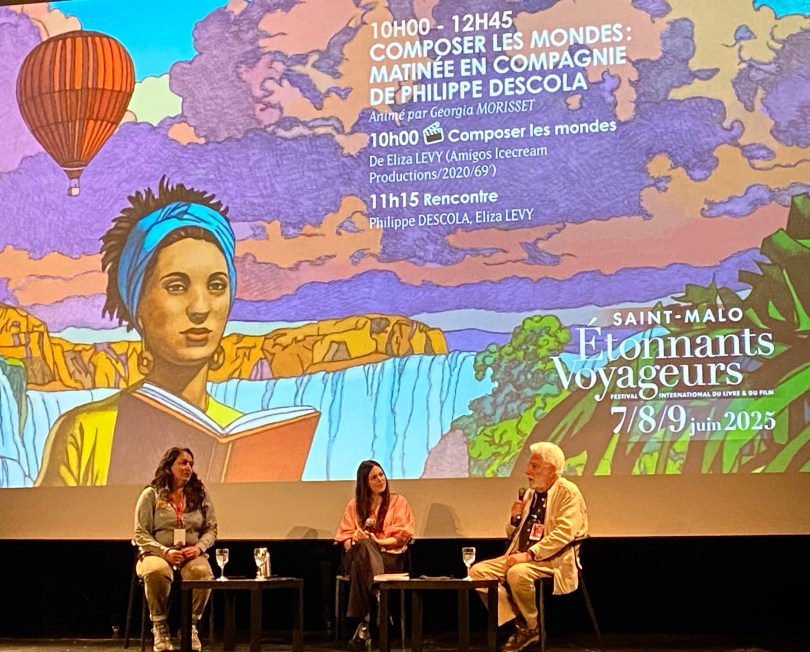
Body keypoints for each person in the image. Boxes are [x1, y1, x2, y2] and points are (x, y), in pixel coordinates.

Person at [35, 178, 243, 486]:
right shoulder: (85, 430)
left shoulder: (241, 432)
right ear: (138, 305)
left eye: (216, 286)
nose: (200, 307)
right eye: (176, 286)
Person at [469, 442, 588, 652]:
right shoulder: (531, 494)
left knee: (517, 573)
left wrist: (529, 555)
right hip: (521, 555)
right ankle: (519, 623)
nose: (527, 471)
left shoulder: (568, 492)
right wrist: (514, 520)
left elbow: (564, 534)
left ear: (551, 469)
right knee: (478, 572)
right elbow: (514, 536)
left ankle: (532, 627)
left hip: (553, 560)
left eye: (534, 466)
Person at [135, 447, 217, 652]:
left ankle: (190, 626)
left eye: (191, 463)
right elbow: (140, 533)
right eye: (183, 463)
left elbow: (211, 529)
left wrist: (199, 548)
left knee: (202, 573)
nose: (188, 467)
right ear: (169, 466)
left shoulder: (199, 494)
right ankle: (160, 627)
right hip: (157, 552)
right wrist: (164, 552)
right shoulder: (151, 494)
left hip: (190, 553)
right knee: (156, 571)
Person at [335, 460, 414, 650]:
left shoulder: (398, 502)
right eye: (374, 477)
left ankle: (363, 623)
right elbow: (344, 538)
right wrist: (354, 540)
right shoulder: (354, 506)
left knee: (366, 549)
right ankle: (376, 595)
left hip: (389, 559)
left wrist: (376, 542)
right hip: (357, 557)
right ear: (364, 483)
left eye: (381, 474)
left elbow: (401, 538)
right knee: (362, 548)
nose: (380, 480)